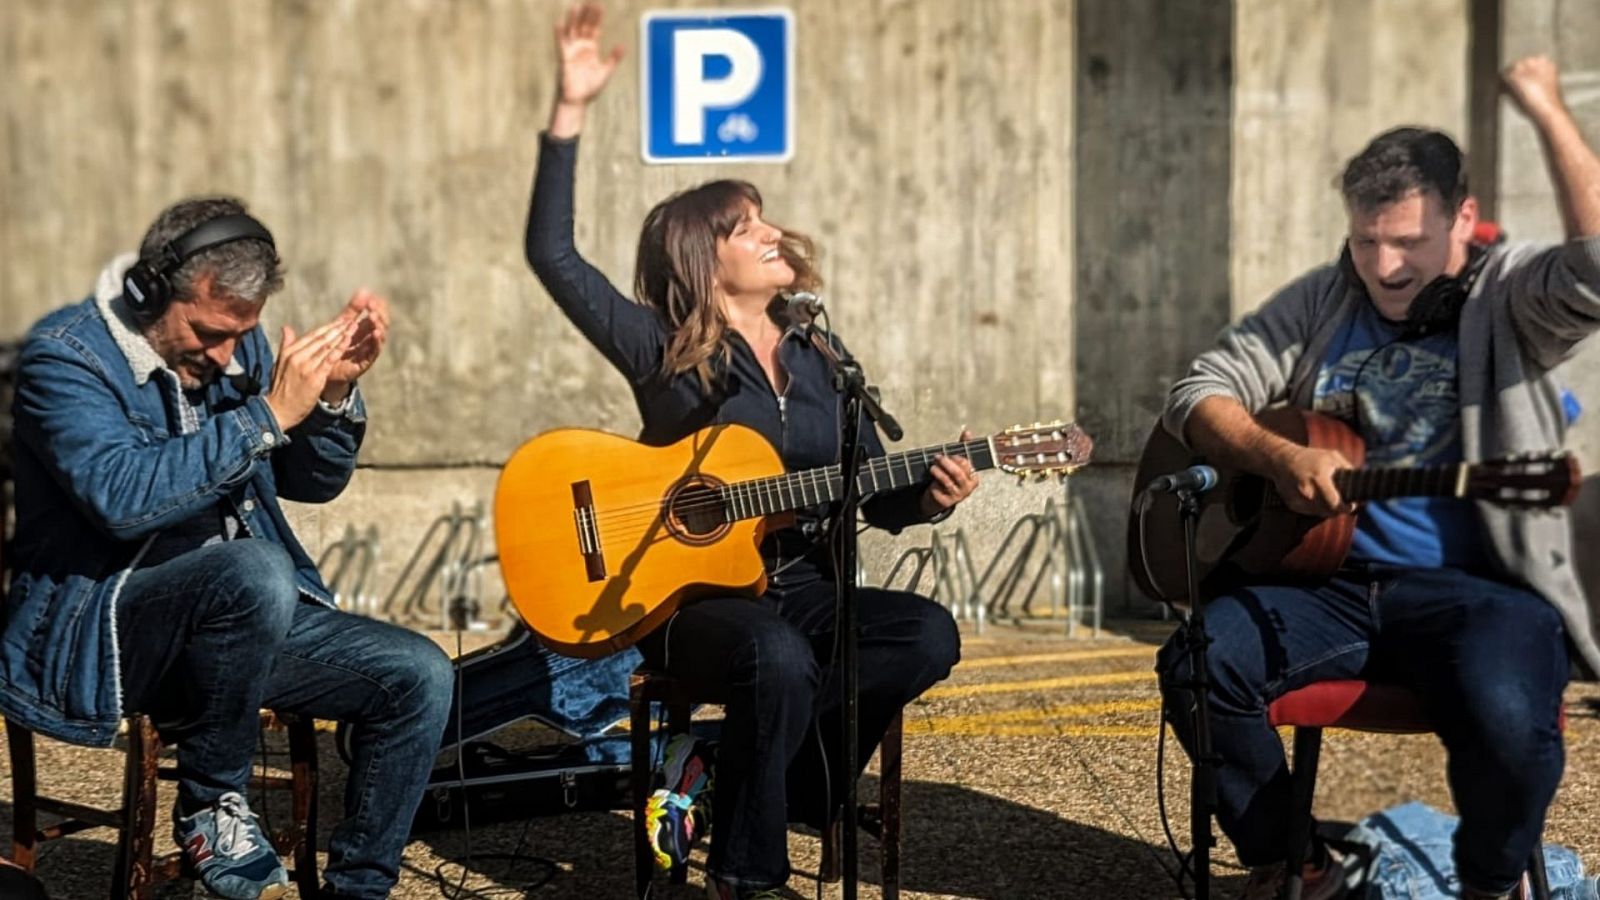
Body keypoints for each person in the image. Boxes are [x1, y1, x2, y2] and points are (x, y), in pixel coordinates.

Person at [523, 5, 975, 897]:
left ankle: (741, 779)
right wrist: (569, 111)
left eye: (766, 221)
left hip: (804, 590)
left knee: (927, 634)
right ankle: (748, 875)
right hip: (691, 603)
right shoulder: (662, 347)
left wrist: (928, 496)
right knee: (775, 658)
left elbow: (858, 491)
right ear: (702, 254)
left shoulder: (820, 357)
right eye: (745, 227)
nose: (772, 236)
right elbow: (552, 253)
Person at [1156, 56, 1600, 900]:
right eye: (1368, 241)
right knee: (1198, 663)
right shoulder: (1327, 299)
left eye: (1410, 241)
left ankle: (1490, 883)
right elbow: (1197, 392)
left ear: (1464, 220)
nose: (1388, 267)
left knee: (1512, 725)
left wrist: (1544, 106)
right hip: (1330, 582)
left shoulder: (1509, 296)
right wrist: (1277, 456)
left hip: (1478, 587)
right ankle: (1295, 858)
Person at [2, 197, 454, 899]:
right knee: (252, 568)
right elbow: (121, 500)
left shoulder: (237, 346)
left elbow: (311, 481)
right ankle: (213, 804)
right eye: (209, 332)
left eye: (238, 335)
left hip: (242, 621)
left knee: (420, 673)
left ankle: (358, 890)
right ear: (149, 289)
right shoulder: (63, 360)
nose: (224, 354)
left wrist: (334, 397)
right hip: (111, 627)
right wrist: (267, 414)